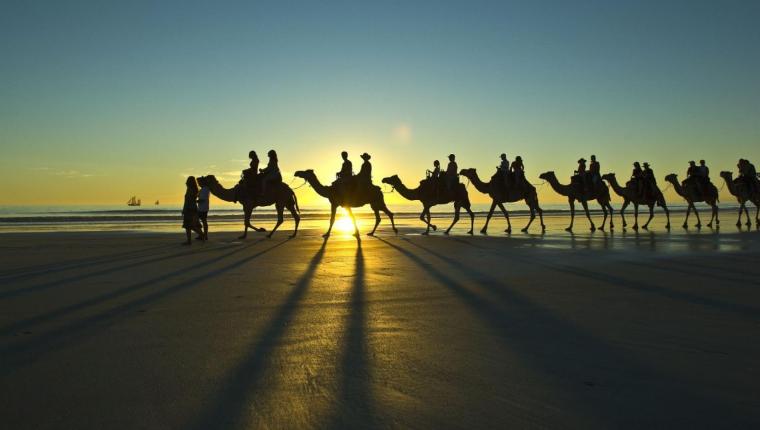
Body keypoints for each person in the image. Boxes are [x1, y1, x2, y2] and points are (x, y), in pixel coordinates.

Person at [182, 176, 204, 245]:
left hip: (189, 209)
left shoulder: (190, 189)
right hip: (193, 208)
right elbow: (192, 200)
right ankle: (201, 235)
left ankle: (191, 240)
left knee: (188, 225)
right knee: (194, 225)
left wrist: (184, 209)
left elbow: (188, 201)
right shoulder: (194, 189)